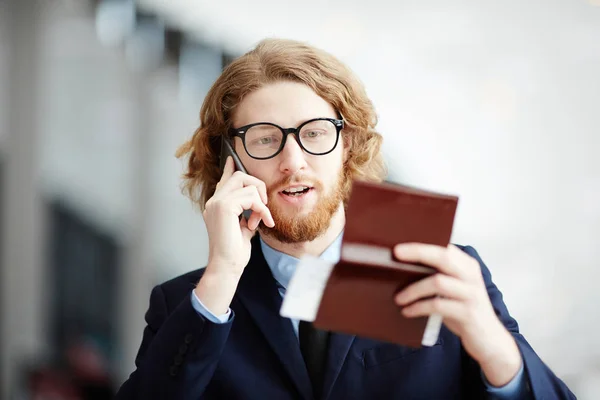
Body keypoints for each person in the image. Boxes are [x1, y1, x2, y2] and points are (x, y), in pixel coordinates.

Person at [115, 38, 574, 399]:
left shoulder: (443, 273)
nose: (293, 161)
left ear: (347, 145)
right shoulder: (187, 305)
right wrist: (221, 277)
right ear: (231, 161)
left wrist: (493, 347)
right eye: (263, 139)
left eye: (315, 134)